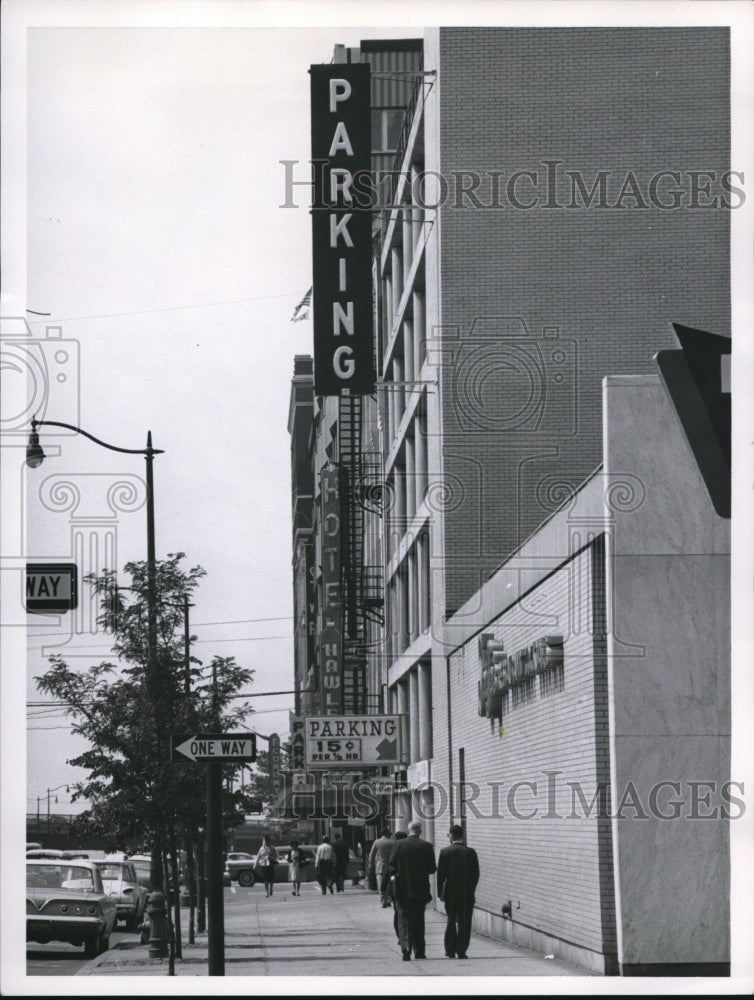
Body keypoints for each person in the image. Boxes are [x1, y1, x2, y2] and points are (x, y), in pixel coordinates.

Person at [386, 820, 436, 961]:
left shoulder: (398, 844)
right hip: (420, 889)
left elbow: (391, 866)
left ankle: (406, 948)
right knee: (419, 919)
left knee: (403, 919)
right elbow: (432, 869)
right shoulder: (426, 846)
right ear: (420, 831)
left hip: (401, 889)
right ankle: (419, 950)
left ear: (409, 830)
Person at [437, 824, 480, 960]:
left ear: (451, 835)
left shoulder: (444, 852)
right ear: (462, 835)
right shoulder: (470, 852)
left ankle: (450, 950)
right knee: (464, 922)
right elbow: (476, 874)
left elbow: (441, 875)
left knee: (450, 921)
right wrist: (472, 889)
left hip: (450, 893)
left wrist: (440, 894)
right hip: (467, 893)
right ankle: (461, 950)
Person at [368, 827, 394, 907]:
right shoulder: (393, 842)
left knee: (381, 883)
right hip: (391, 866)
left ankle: (383, 900)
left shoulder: (377, 842)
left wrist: (370, 865)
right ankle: (389, 899)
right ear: (386, 833)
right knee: (390, 883)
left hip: (380, 866)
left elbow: (372, 855)